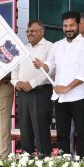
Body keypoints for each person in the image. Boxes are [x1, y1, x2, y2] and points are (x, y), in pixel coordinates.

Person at [33, 11, 84, 157]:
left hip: (78, 97)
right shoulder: (57, 46)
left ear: (78, 25)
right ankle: (64, 166)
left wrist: (66, 88)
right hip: (60, 98)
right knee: (62, 135)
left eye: (72, 25)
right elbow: (50, 66)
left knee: (82, 134)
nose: (68, 28)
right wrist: (42, 65)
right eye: (65, 26)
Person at [13, 19, 54, 155]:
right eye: (28, 31)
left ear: (42, 31)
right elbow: (15, 68)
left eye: (33, 31)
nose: (29, 33)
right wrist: (16, 82)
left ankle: (44, 163)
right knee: (25, 129)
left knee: (41, 129)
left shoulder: (50, 47)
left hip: (41, 92)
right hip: (23, 93)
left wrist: (31, 84)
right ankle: (27, 162)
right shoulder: (23, 48)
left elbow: (51, 71)